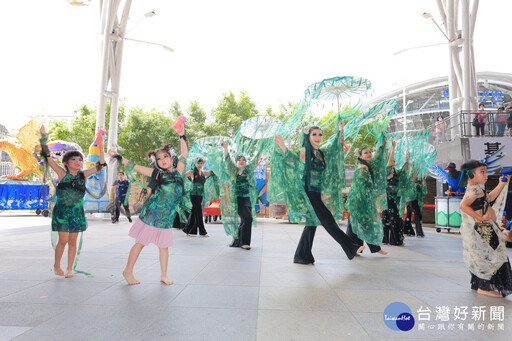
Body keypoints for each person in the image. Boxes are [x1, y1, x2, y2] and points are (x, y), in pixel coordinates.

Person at [108, 127, 188, 286]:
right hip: (153, 213)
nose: (163, 160)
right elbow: (135, 166)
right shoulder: (157, 174)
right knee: (141, 242)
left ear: (171, 158)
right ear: (156, 162)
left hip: (167, 216)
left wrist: (181, 135)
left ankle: (164, 275)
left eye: (165, 156)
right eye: (159, 158)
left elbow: (184, 153)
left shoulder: (178, 171)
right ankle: (127, 271)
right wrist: (119, 157)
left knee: (164, 246)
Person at [273, 121, 360, 264]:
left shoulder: (321, 153)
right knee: (328, 220)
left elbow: (335, 148)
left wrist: (340, 131)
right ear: (307, 136)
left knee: (312, 223)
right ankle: (351, 247)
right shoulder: (304, 151)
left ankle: (302, 255)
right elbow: (290, 159)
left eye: (320, 134)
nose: (318, 137)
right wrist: (282, 145)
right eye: (314, 134)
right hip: (308, 192)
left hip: (316, 191)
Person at [40, 125, 106, 278]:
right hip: (62, 212)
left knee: (72, 241)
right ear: (66, 163)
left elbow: (101, 165)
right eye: (73, 159)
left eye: (80, 160)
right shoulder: (62, 173)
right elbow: (47, 156)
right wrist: (44, 139)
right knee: (63, 240)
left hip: (76, 213)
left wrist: (101, 147)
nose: (78, 162)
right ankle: (57, 265)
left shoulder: (83, 175)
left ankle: (70, 269)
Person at [459, 160, 512, 297]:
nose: (486, 175)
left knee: (485, 255)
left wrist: (502, 183)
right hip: (483, 228)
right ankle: (484, 287)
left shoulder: (477, 189)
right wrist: (481, 218)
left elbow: (490, 198)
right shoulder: (474, 190)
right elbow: (463, 206)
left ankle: (478, 284)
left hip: (484, 228)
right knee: (491, 256)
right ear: (470, 175)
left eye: (485, 171)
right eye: (482, 172)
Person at [345, 139, 391, 255]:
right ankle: (354, 248)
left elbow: (376, 159)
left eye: (369, 152)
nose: (369, 154)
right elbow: (360, 187)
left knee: (364, 222)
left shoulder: (367, 165)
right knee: (358, 223)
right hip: (359, 199)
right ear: (360, 156)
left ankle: (364, 248)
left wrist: (381, 146)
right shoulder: (362, 168)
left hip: (363, 198)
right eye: (365, 152)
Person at [219, 141, 262, 250]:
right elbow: (227, 159)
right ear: (236, 162)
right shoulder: (234, 170)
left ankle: (238, 241)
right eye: (239, 160)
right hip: (237, 199)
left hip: (247, 198)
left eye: (244, 160)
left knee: (244, 220)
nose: (242, 162)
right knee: (248, 219)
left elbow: (256, 159)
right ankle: (244, 243)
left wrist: (261, 148)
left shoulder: (248, 170)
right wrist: (225, 147)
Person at [382, 148, 406, 246]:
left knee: (387, 218)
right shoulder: (387, 171)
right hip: (389, 198)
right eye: (392, 161)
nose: (394, 162)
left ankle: (386, 239)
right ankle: (395, 240)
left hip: (394, 198)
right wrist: (393, 147)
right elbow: (390, 160)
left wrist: (406, 159)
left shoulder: (395, 172)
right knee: (394, 218)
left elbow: (402, 169)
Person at [183, 158, 211, 237]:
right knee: (199, 212)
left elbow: (212, 172)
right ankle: (203, 232)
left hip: (200, 194)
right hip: (194, 194)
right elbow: (183, 175)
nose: (200, 165)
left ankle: (187, 229)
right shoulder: (192, 171)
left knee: (194, 212)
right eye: (198, 163)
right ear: (195, 163)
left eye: (201, 163)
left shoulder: (203, 172)